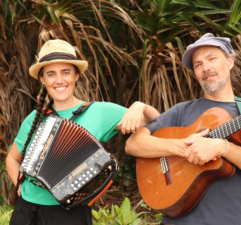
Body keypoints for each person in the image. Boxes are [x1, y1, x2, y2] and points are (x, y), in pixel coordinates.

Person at [6, 39, 160, 225]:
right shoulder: (34, 118)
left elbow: (158, 121)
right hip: (26, 212)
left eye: (66, 72)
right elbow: (12, 158)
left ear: (76, 76)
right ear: (42, 80)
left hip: (70, 214)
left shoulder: (100, 112)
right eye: (51, 74)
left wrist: (140, 106)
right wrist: (20, 186)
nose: (59, 80)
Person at [125, 33, 241, 225]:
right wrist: (182, 148)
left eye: (212, 58)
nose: (206, 68)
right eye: (198, 64)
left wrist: (222, 147)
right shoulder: (181, 110)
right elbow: (134, 144)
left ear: (230, 61)